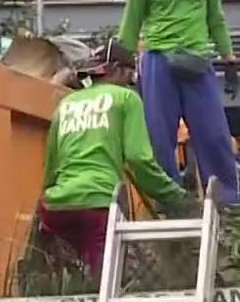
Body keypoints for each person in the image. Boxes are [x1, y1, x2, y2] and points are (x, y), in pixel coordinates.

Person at [118, 0, 240, 206]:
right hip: (159, 61)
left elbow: (216, 17)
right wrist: (120, 67)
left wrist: (229, 57)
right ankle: (171, 203)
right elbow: (130, 25)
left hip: (198, 62)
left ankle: (227, 205)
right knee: (160, 138)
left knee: (215, 136)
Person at [40, 40, 188, 278]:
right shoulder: (126, 99)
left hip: (56, 207)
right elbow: (139, 159)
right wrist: (173, 195)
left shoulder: (66, 104)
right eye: (131, 75)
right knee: (110, 280)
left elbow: (51, 166)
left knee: (78, 273)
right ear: (118, 70)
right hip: (97, 203)